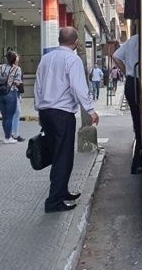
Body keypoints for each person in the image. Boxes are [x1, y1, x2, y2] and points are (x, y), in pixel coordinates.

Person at [35, 27, 99, 213]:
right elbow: (78, 87)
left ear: (59, 39)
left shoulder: (46, 59)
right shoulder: (73, 59)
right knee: (63, 156)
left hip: (46, 111)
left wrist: (39, 109)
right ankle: (54, 201)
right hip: (62, 113)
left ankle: (62, 191)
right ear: (76, 42)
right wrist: (90, 110)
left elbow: (38, 86)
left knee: (57, 154)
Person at [112, 30, 142, 174]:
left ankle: (137, 161)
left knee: (137, 122)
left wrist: (126, 71)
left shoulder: (131, 40)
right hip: (141, 83)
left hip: (131, 82)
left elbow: (116, 56)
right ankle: (139, 160)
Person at [0, 51, 22, 143]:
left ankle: (6, 136)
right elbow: (18, 82)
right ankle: (8, 138)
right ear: (14, 59)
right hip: (10, 93)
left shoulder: (0, 67)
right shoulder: (17, 69)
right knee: (10, 117)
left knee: (4, 117)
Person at [10, 54, 25, 142]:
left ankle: (10, 134)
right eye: (16, 56)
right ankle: (14, 134)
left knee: (11, 114)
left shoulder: (4, 68)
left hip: (10, 93)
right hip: (14, 92)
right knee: (17, 113)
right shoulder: (17, 68)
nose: (18, 57)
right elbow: (18, 82)